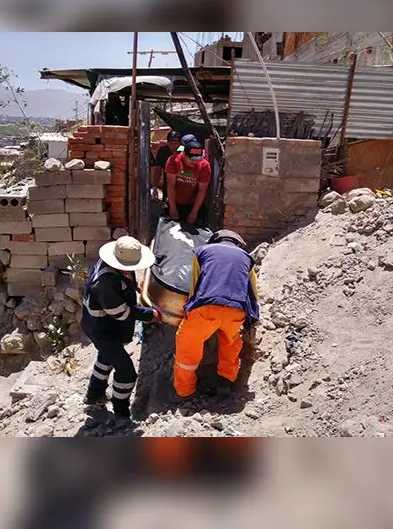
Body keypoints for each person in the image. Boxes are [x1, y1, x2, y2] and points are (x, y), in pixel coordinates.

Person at [172, 229, 260, 400]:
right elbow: (253, 291)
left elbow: (195, 284)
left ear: (215, 240)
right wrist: (252, 318)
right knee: (230, 342)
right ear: (237, 243)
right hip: (236, 310)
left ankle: (185, 391)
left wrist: (190, 309)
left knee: (188, 344)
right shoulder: (247, 259)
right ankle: (225, 382)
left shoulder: (202, 252)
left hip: (206, 308)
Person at [81, 236, 160, 422]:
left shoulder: (116, 264)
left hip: (102, 325)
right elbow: (120, 313)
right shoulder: (105, 283)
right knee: (127, 373)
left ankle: (93, 395)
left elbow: (125, 280)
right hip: (103, 329)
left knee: (106, 358)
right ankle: (121, 412)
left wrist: (135, 288)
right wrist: (149, 314)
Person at [165, 134, 212, 225]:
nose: (195, 162)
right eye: (192, 159)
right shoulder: (173, 161)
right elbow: (171, 186)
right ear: (184, 154)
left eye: (197, 159)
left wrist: (194, 212)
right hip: (174, 202)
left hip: (194, 204)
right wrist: (173, 208)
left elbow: (202, 191)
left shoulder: (204, 165)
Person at [151, 131, 181, 203]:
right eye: (171, 144)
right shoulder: (163, 151)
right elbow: (158, 170)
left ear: (180, 143)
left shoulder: (183, 151)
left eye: (176, 144)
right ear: (167, 142)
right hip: (168, 186)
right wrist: (155, 187)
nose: (173, 146)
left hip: (182, 186)